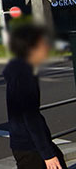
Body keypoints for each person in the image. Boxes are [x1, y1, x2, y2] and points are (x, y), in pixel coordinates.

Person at [4, 24, 68, 169]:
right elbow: (31, 117)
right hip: (31, 146)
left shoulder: (17, 68)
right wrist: (47, 154)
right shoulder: (25, 74)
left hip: (23, 143)